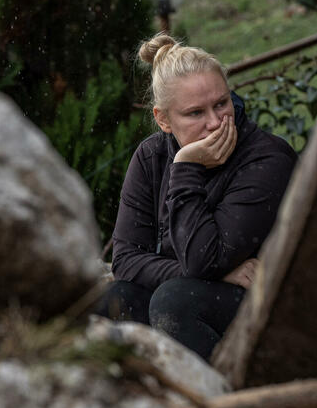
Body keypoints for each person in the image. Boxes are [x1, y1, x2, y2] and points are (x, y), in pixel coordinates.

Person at [97, 33, 297, 361]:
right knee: (114, 298)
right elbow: (126, 259)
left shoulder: (266, 160)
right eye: (195, 113)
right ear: (163, 119)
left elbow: (206, 258)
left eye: (221, 104)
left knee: (175, 301)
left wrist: (187, 167)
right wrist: (214, 274)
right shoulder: (150, 158)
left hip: (270, 309)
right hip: (197, 293)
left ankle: (224, 405)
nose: (216, 123)